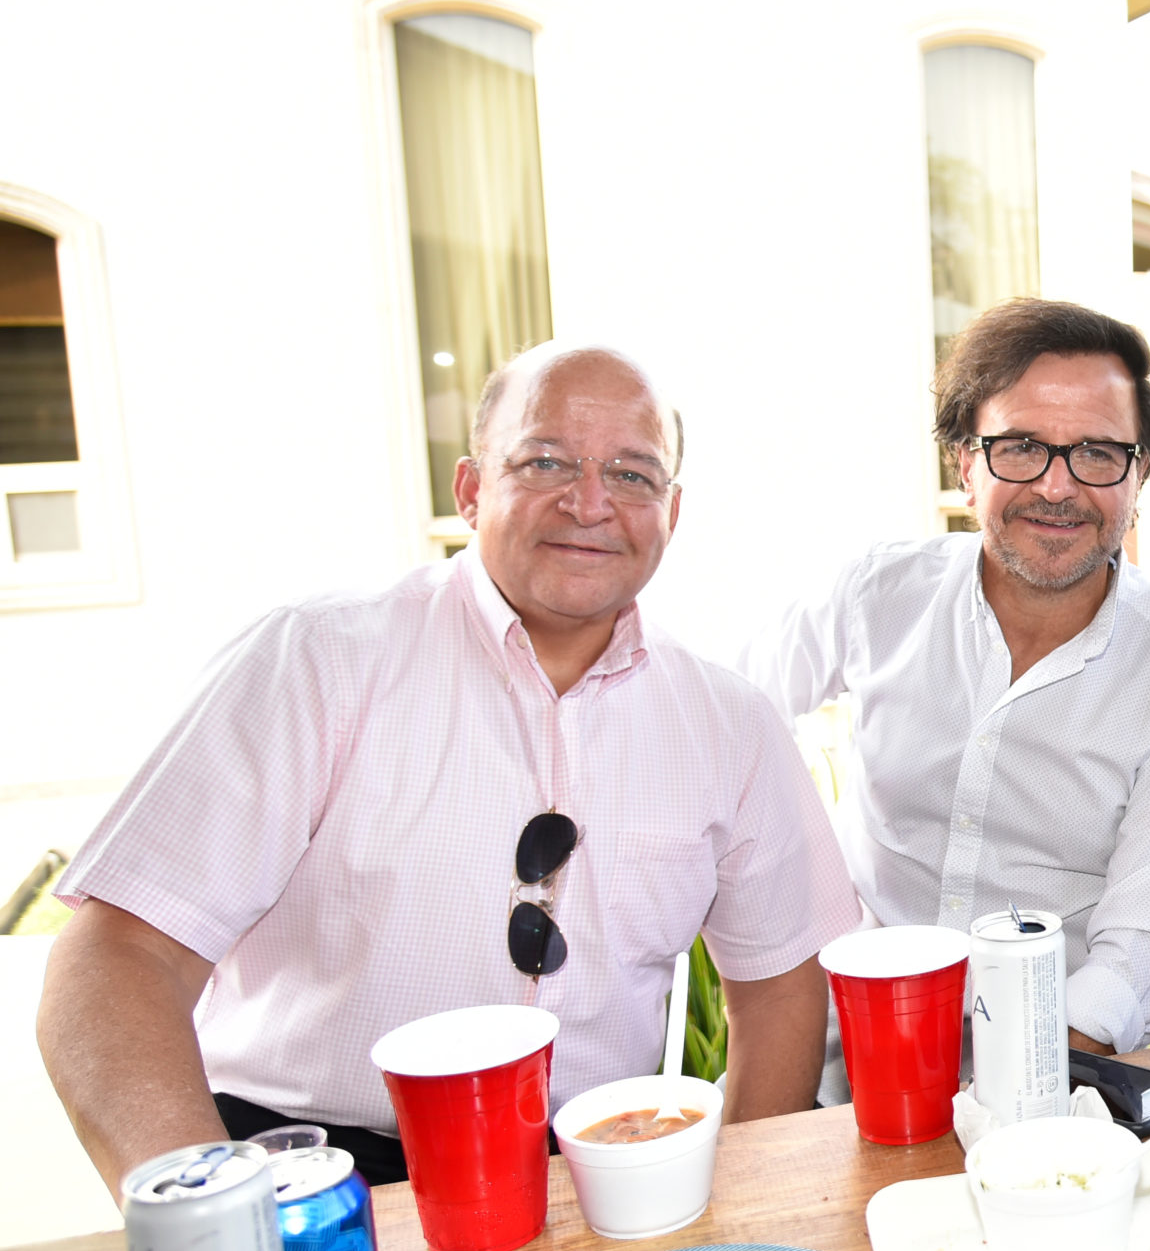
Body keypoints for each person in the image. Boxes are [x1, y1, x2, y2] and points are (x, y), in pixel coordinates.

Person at [36, 346, 861, 1191]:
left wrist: (746, 1210)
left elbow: (782, 986)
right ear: (470, 489)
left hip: (592, 1187)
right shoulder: (316, 663)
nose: (590, 503)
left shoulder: (730, 721)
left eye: (632, 474)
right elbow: (119, 954)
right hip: (315, 1178)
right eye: (545, 461)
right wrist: (214, 1223)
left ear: (672, 510)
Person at [738, 299, 1150, 1057]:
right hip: (843, 1060)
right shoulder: (878, 593)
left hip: (1055, 1077)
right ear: (964, 461)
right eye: (1021, 447)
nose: (1057, 486)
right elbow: (730, 722)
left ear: (1138, 476)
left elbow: (1136, 960)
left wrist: (1012, 1103)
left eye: (1098, 453)